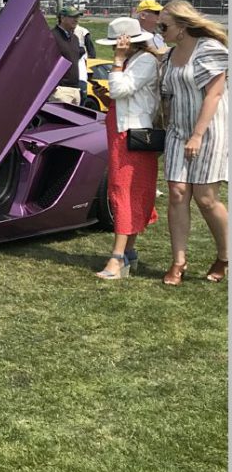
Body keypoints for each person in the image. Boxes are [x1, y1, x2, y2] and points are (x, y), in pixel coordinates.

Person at [157, 0, 228, 286]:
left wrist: (198, 135)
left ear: (182, 26)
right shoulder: (169, 55)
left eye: (164, 25)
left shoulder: (210, 50)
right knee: (176, 193)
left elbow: (214, 95)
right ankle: (179, 261)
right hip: (178, 131)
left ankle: (224, 255)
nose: (160, 30)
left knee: (206, 199)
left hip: (210, 130)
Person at [89, 17, 161, 279]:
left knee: (124, 191)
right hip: (123, 133)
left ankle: (117, 259)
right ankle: (128, 254)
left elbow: (122, 89)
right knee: (124, 190)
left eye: (116, 44)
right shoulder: (137, 61)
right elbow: (124, 97)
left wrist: (117, 61)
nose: (113, 49)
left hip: (131, 136)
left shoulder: (144, 61)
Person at [48, 5, 87, 105]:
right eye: (72, 17)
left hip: (75, 89)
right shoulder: (51, 36)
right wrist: (53, 87)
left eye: (77, 17)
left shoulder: (75, 38)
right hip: (60, 90)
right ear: (62, 18)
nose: (76, 20)